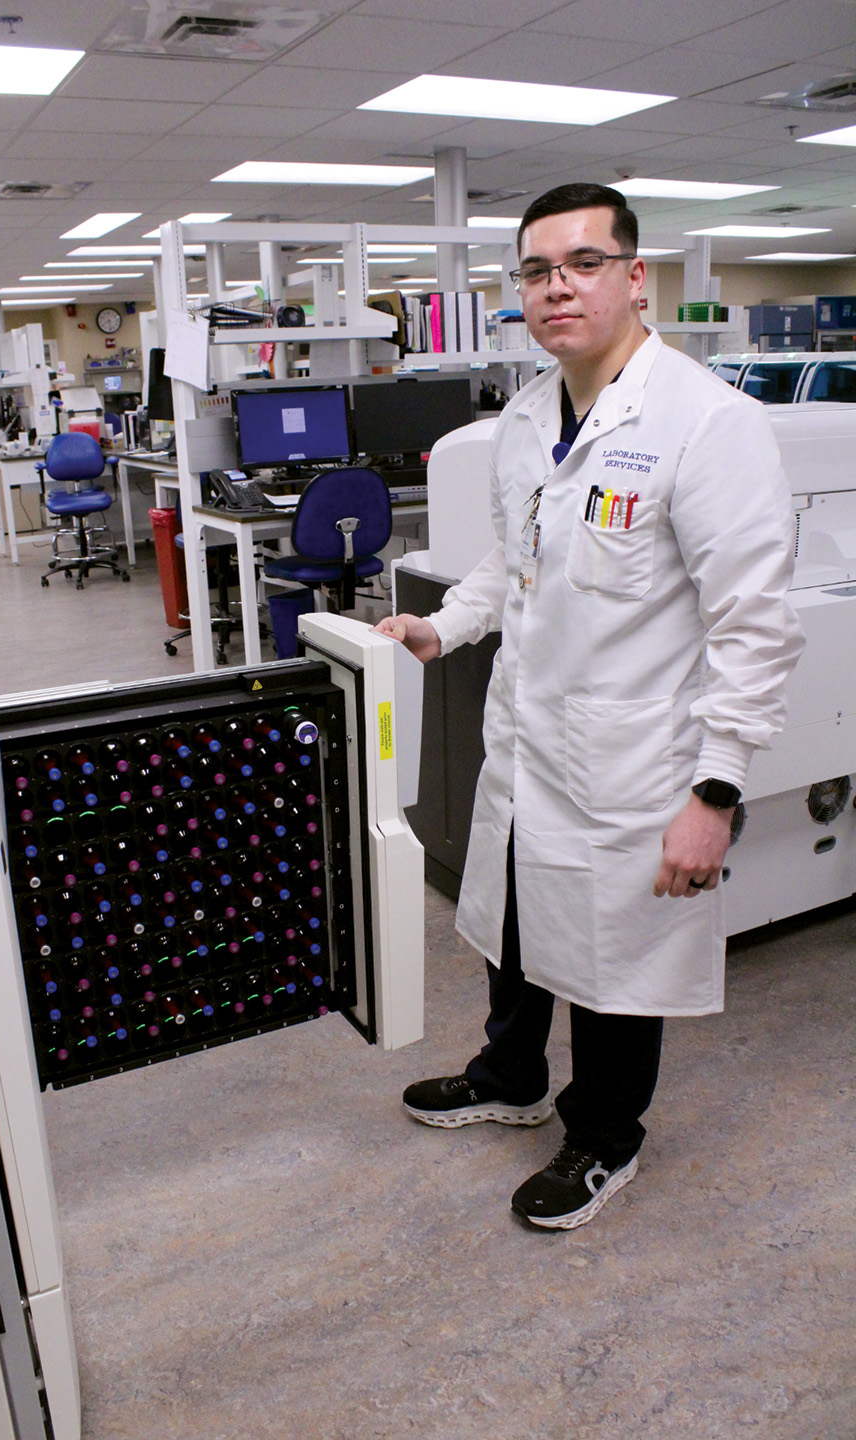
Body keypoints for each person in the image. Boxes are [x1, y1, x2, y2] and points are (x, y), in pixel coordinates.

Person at [374, 182, 804, 1231]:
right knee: (512, 922)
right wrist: (446, 628)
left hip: (639, 763)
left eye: (581, 263)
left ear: (634, 277)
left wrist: (718, 788)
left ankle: (607, 1138)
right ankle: (510, 1076)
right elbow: (504, 567)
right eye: (534, 269)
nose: (556, 286)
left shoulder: (706, 424)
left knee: (616, 964)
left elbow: (754, 626)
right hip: (529, 747)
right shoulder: (524, 419)